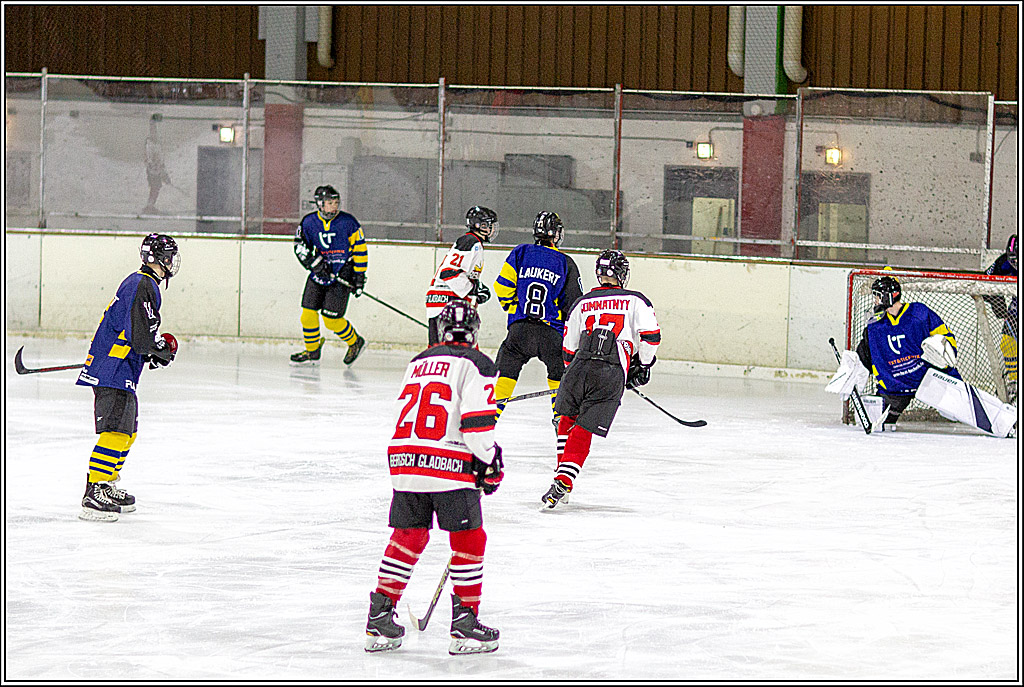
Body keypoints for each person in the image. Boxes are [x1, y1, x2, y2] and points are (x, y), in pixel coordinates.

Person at [365, 300, 503, 655]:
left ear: (442, 330)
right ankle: (465, 624)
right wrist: (489, 461)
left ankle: (379, 616)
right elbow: (475, 424)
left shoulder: (418, 362)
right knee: (469, 537)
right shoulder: (478, 363)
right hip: (447, 464)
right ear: (474, 331)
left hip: (403, 460)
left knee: (409, 534)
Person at [542, 250, 661, 509]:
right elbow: (650, 337)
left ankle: (561, 479)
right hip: (610, 371)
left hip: (579, 365)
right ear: (622, 274)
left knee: (567, 420)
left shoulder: (582, 303)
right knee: (584, 427)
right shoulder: (636, 300)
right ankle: (564, 479)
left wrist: (573, 374)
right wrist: (642, 365)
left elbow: (568, 350)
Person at [75, 233, 180, 522]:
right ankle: (94, 490)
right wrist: (158, 349)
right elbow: (139, 335)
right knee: (116, 431)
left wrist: (151, 351)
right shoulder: (142, 284)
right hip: (114, 369)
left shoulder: (142, 283)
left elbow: (135, 331)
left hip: (120, 368)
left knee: (127, 431)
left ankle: (106, 482)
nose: (172, 261)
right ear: (159, 259)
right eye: (169, 255)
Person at [491, 211, 583, 423]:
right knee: (559, 378)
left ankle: (486, 422)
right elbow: (574, 306)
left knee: (503, 377)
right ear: (556, 234)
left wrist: (514, 307)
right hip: (551, 334)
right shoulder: (565, 262)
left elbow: (502, 287)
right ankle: (561, 421)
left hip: (519, 332)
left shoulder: (520, 253)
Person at [852, 274, 961, 430]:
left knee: (958, 409)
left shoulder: (920, 313)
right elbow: (866, 354)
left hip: (930, 378)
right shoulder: (875, 325)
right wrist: (854, 369)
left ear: (889, 296)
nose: (875, 301)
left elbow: (946, 338)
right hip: (896, 387)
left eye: (877, 296)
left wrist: (942, 352)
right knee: (878, 421)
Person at [291, 185, 368, 365]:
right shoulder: (309, 222)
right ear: (319, 204)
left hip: (342, 273)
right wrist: (315, 264)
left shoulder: (348, 222)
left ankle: (355, 342)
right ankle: (312, 351)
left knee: (331, 319)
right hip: (319, 274)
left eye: (336, 203)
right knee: (307, 315)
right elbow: (299, 246)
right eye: (329, 203)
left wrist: (358, 277)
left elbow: (360, 250)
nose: (334, 207)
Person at [425, 206, 497, 345]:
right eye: (489, 225)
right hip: (446, 300)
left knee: (437, 349)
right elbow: (449, 273)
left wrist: (476, 288)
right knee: (461, 349)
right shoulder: (471, 242)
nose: (493, 229)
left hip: (440, 299)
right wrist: (472, 289)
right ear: (480, 225)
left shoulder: (472, 242)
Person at [984, 233, 1018, 402]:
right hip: (1016, 308)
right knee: (1007, 342)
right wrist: (997, 302)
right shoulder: (1003, 262)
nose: (1016, 263)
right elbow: (984, 281)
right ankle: (1014, 381)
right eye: (1013, 259)